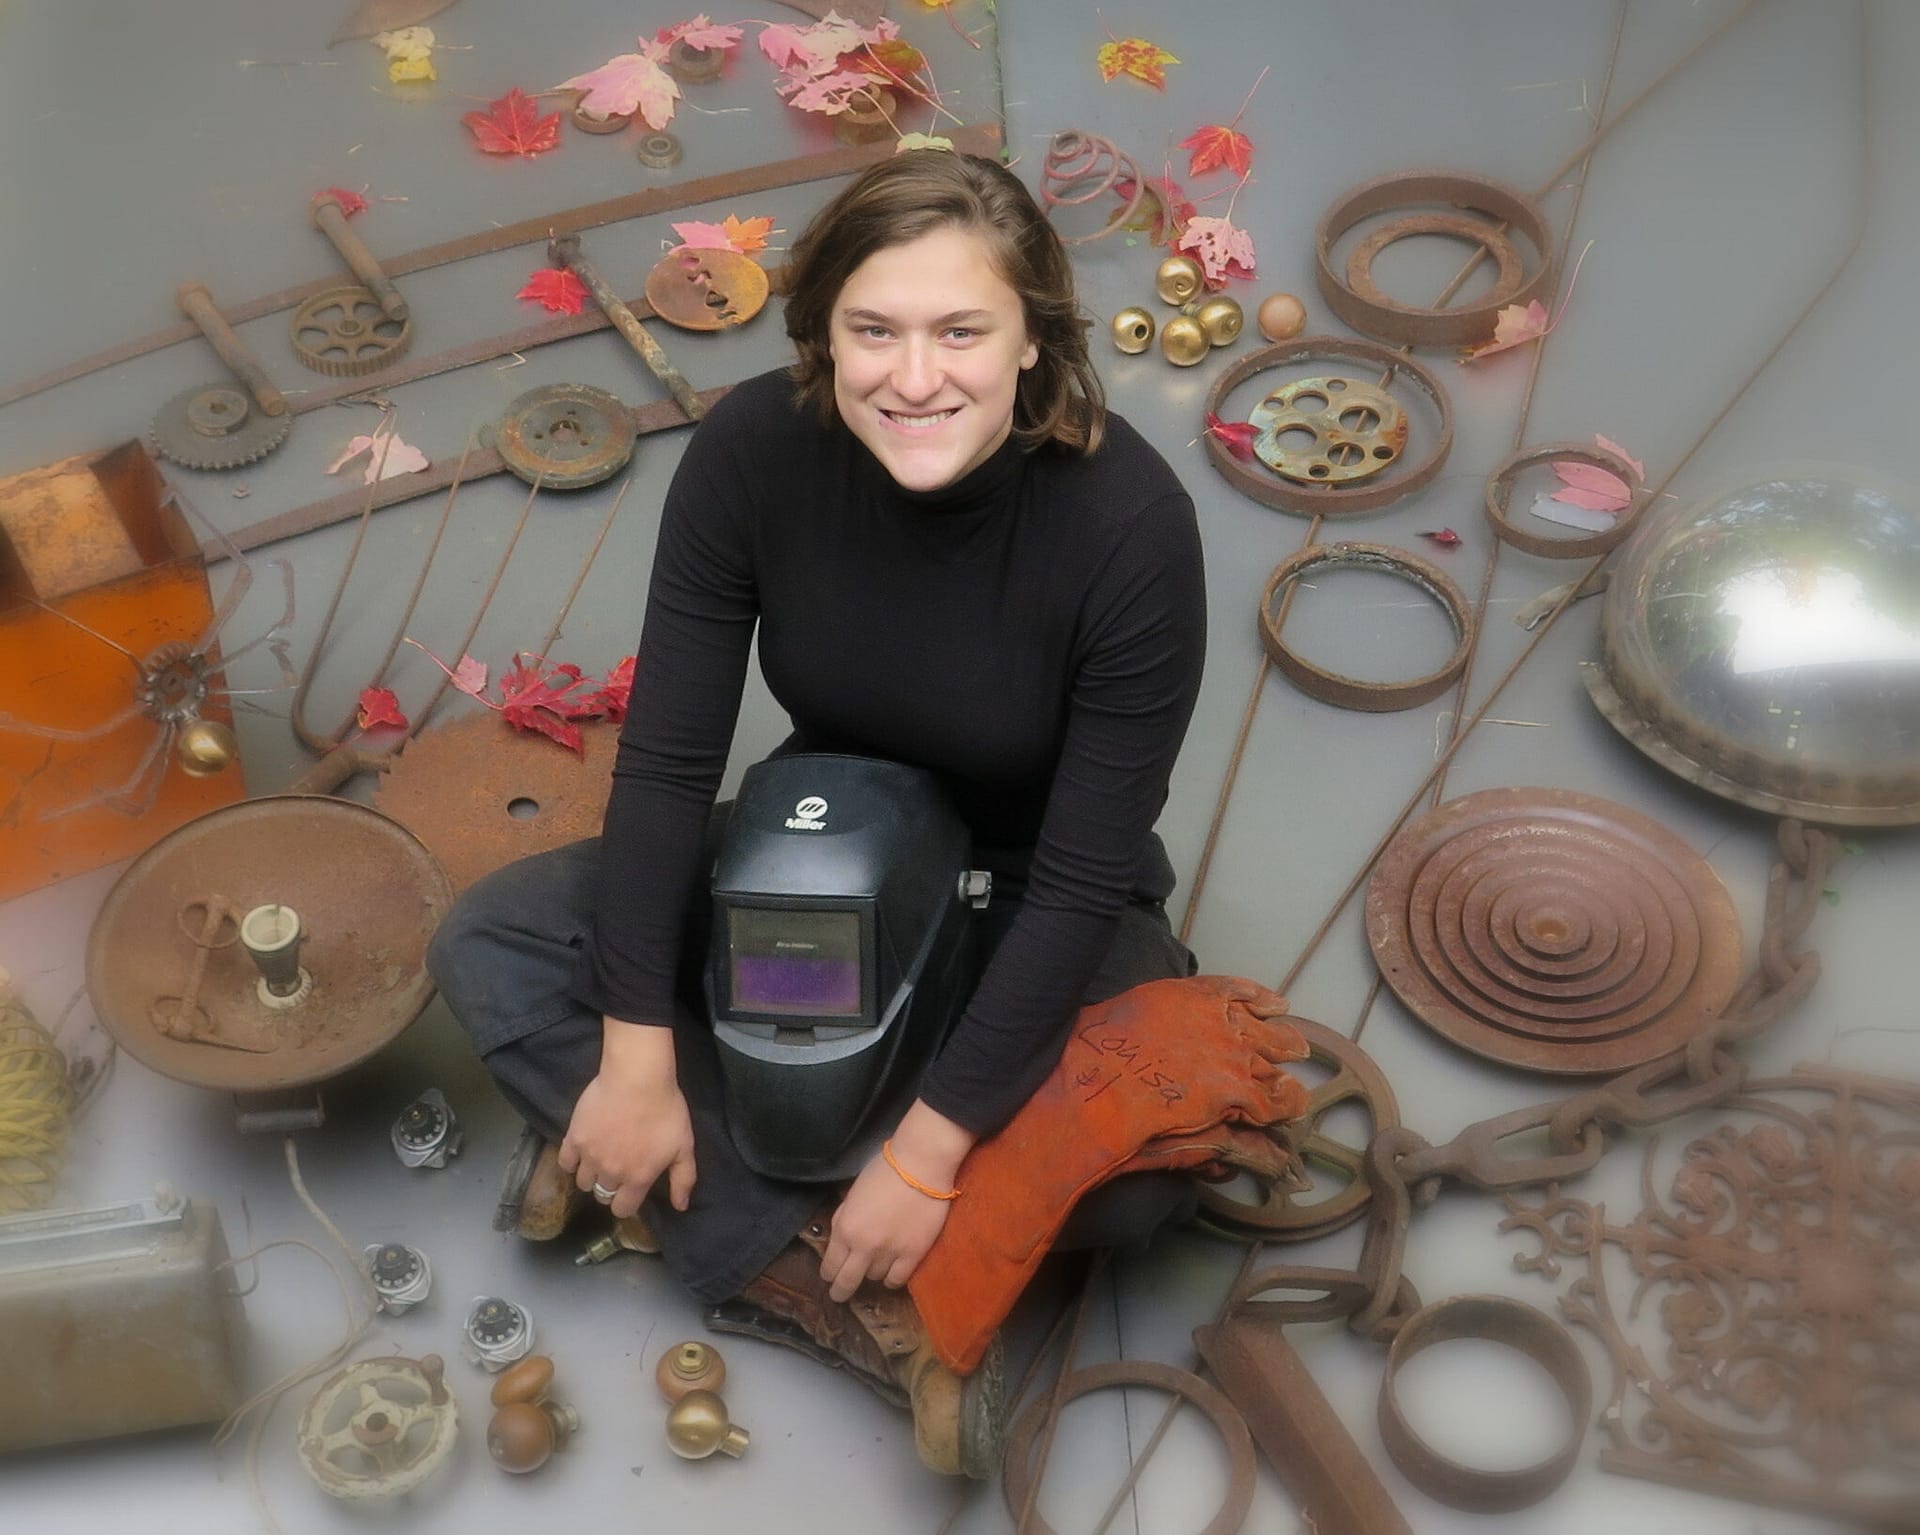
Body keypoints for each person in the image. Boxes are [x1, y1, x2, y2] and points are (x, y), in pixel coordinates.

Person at [428, 149, 1207, 1478]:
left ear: (1034, 343)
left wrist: (933, 1147)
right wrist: (629, 1054)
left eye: (962, 330)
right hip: (817, 845)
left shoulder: (1132, 531)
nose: (915, 378)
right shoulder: (750, 455)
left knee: (1150, 1175)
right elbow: (671, 764)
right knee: (498, 941)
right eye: (874, 332)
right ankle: (841, 1280)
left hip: (1025, 892)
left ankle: (687, 1194)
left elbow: (1080, 887)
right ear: (822, 336)